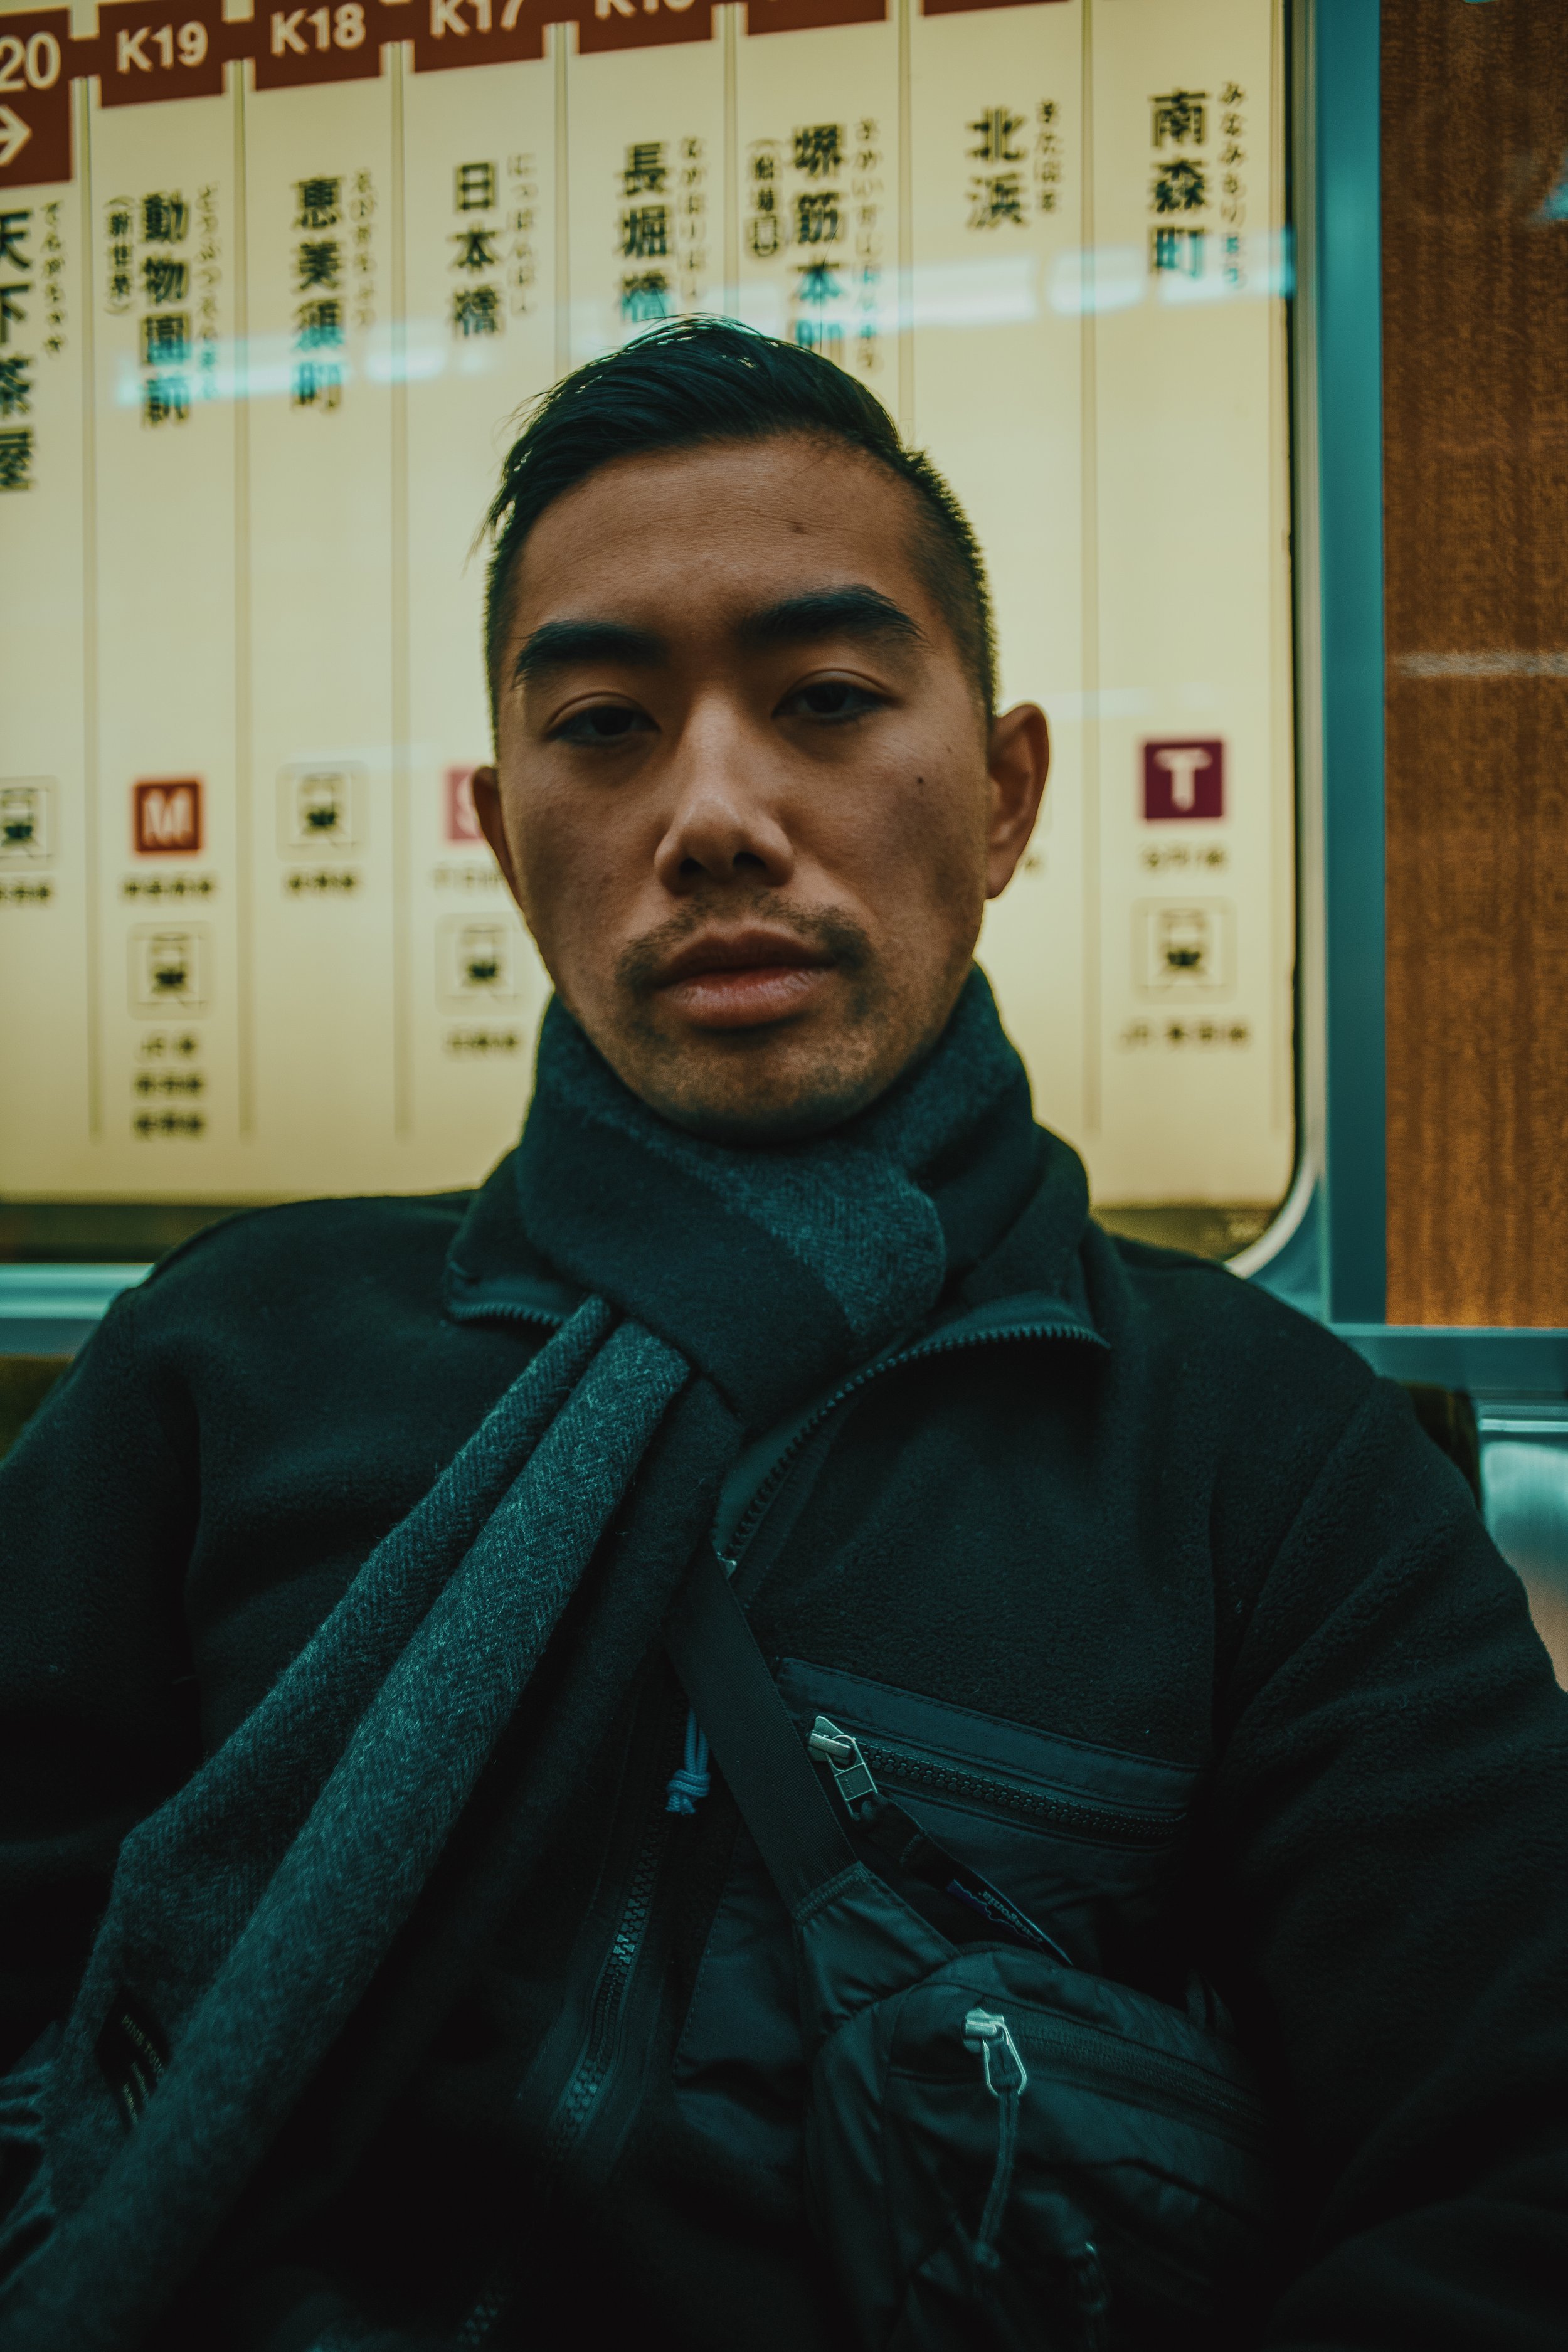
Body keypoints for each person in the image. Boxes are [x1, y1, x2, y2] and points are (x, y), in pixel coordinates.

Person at [1, 320, 1564, 2352]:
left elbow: (1511, 2178)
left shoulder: (1261, 1465)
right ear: (498, 829)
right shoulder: (223, 1372)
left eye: (824, 698)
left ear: (1004, 796)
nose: (715, 812)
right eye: (603, 726)